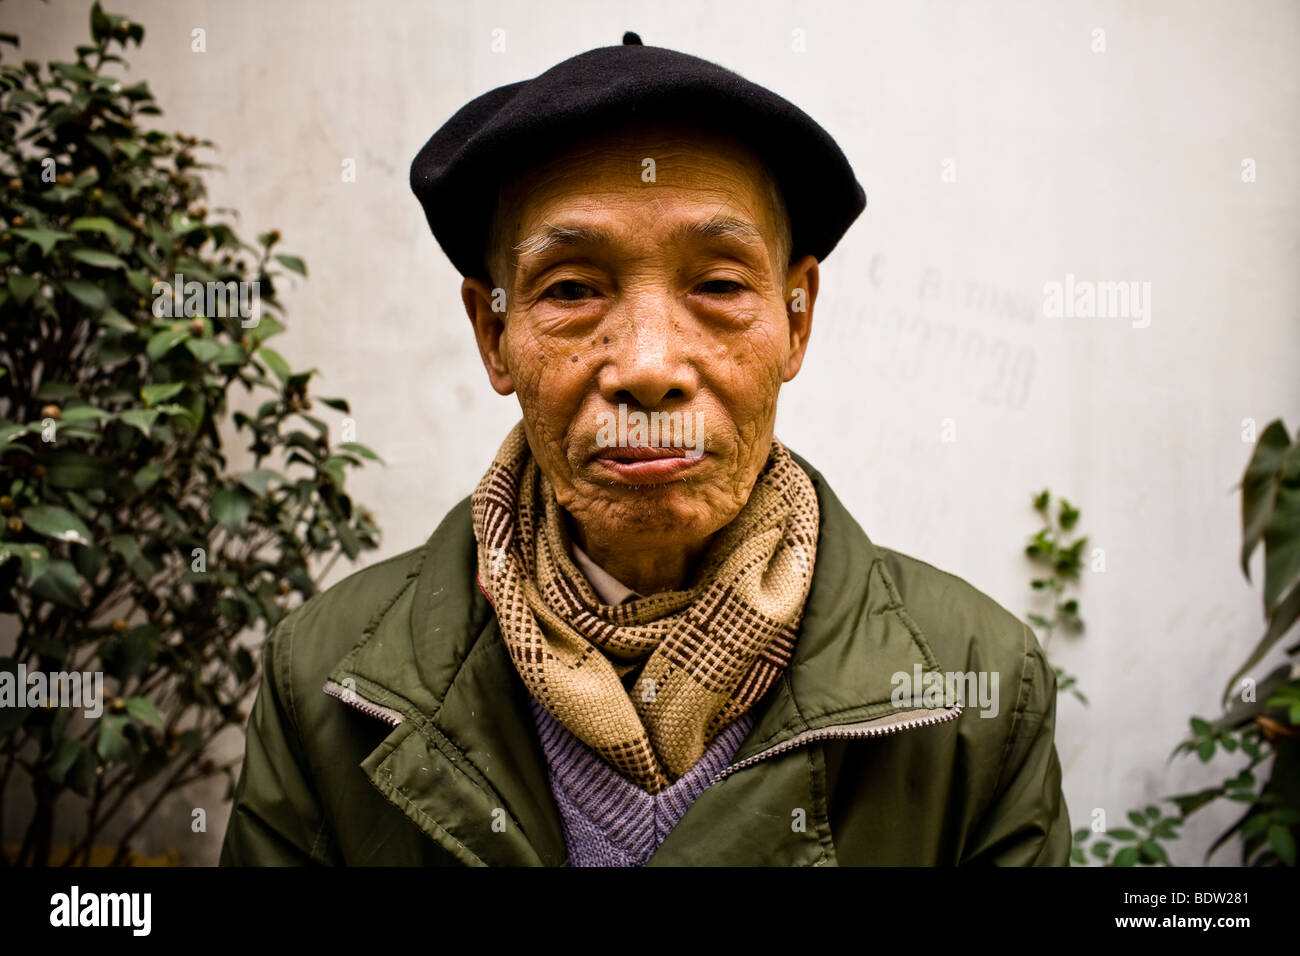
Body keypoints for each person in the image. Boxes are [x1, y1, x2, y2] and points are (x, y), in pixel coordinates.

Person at [220, 32, 1071, 866]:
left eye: (719, 285)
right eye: (573, 290)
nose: (649, 366)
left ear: (796, 318)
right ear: (494, 334)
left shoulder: (975, 686)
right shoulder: (328, 684)